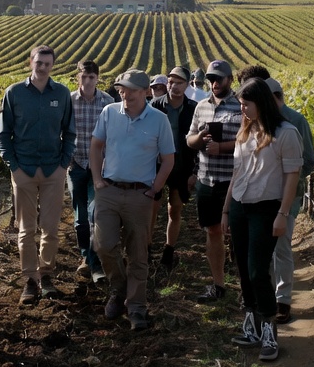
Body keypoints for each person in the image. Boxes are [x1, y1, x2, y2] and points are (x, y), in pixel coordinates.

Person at [222, 78, 302, 362]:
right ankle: (252, 325)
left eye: (246, 104)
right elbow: (237, 173)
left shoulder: (286, 133)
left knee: (258, 270)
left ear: (262, 103)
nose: (242, 110)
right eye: (241, 105)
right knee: (243, 268)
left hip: (267, 209)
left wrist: (283, 213)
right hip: (242, 205)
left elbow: (292, 176)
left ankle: (269, 328)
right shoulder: (245, 132)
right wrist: (227, 210)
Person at [90, 69, 175, 330]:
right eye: (121, 88)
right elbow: (96, 146)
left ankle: (136, 307)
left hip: (140, 194)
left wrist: (154, 190)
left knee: (138, 253)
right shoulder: (109, 113)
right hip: (110, 191)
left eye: (128, 89)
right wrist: (97, 180)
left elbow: (168, 160)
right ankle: (119, 289)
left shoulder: (159, 120)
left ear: (144, 92)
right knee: (103, 245)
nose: (123, 93)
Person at [0, 44, 75, 305]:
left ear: (53, 65)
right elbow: (3, 135)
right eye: (38, 62)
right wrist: (14, 167)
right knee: (26, 230)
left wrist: (64, 164)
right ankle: (30, 280)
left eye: (47, 63)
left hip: (54, 169)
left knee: (51, 229)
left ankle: (47, 275)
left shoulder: (62, 94)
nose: (42, 67)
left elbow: (70, 132)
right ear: (29, 62)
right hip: (24, 171)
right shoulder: (15, 93)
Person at [185, 59, 243, 303]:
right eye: (210, 79)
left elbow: (250, 141)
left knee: (240, 235)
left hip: (234, 181)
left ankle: (245, 289)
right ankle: (218, 285)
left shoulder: (241, 106)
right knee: (212, 231)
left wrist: (223, 147)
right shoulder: (201, 107)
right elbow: (189, 139)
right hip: (207, 180)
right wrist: (200, 138)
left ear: (230, 79)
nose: (214, 83)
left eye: (219, 78)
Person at [267, 78, 314, 324]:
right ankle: (267, 297)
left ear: (276, 97)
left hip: (289, 195)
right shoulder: (258, 121)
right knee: (265, 246)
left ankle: (283, 300)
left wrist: (290, 180)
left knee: (282, 247)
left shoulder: (296, 121)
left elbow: (308, 161)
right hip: (262, 194)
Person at [67, 60, 114, 283]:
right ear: (78, 77)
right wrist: (67, 160)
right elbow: (61, 132)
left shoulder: (108, 102)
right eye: (84, 77)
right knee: (80, 219)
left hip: (100, 168)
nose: (87, 81)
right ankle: (86, 256)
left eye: (91, 77)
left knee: (95, 214)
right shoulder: (69, 101)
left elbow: (112, 137)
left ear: (98, 78)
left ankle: (94, 264)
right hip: (76, 165)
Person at [150, 66, 198, 271]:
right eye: (171, 82)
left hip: (181, 166)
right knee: (151, 208)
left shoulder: (194, 108)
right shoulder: (155, 106)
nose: (174, 86)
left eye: (179, 82)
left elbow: (198, 143)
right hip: (156, 165)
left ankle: (169, 251)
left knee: (175, 209)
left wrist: (195, 171)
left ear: (187, 85)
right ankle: (147, 247)